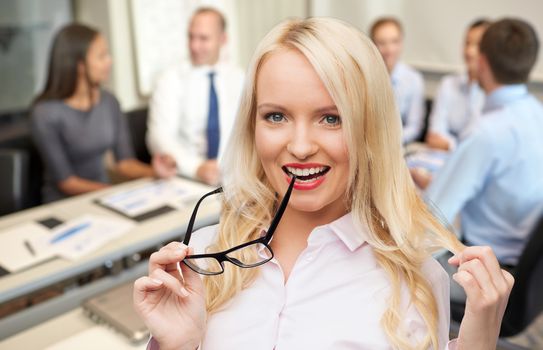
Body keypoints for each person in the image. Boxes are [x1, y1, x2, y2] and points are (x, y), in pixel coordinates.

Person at [134, 18, 513, 350]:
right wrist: (176, 346)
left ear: (369, 129)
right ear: (252, 125)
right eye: (276, 116)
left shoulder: (417, 283)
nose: (299, 147)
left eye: (331, 119)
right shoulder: (202, 256)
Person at [426, 18, 543, 269]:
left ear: (481, 62)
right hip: (525, 271)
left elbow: (431, 219)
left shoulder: (486, 133)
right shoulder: (537, 113)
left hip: (487, 269)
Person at [31, 24, 175, 203]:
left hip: (104, 198)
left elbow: (125, 162)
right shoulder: (45, 113)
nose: (109, 61)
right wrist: (116, 193)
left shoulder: (109, 101)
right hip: (65, 205)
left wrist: (154, 172)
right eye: (101, 56)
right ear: (79, 65)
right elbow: (66, 182)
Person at [146, 7, 244, 186]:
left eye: (203, 38)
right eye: (191, 37)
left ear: (223, 39)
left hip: (233, 177)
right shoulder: (170, 79)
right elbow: (159, 136)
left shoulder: (239, 78)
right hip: (187, 178)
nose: (194, 46)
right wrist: (195, 168)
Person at [426, 19, 491, 151]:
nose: (470, 51)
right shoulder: (448, 84)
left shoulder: (493, 92)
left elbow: (480, 143)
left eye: (477, 45)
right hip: (442, 158)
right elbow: (434, 135)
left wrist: (450, 144)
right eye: (467, 43)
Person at [370, 17, 425, 144]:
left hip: (397, 145)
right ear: (372, 44)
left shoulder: (413, 79)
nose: (389, 49)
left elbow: (415, 126)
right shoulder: (363, 76)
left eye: (394, 41)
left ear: (401, 43)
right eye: (382, 43)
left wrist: (390, 142)